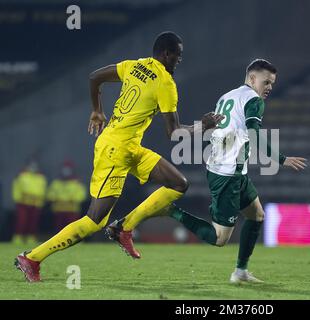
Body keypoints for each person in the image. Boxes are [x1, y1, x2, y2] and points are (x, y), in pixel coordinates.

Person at [14, 31, 222, 282]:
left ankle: (123, 227)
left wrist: (96, 111)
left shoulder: (134, 66)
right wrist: (205, 125)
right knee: (94, 221)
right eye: (178, 55)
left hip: (128, 146)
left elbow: (95, 77)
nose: (179, 60)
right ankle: (32, 257)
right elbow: (174, 132)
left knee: (179, 183)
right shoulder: (165, 83)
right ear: (166, 54)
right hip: (115, 151)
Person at [108, 59, 307, 283]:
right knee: (219, 238)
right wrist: (282, 159)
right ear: (252, 79)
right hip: (227, 174)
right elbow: (253, 134)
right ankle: (171, 211)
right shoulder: (254, 101)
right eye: (266, 82)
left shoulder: (228, 96)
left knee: (257, 215)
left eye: (272, 83)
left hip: (231, 170)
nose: (269, 87)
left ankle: (240, 272)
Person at [12, 160, 47, 245]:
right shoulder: (22, 176)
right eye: (31, 165)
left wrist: (41, 201)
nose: (33, 167)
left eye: (34, 165)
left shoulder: (41, 178)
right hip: (23, 202)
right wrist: (17, 199)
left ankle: (31, 237)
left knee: (33, 222)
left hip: (35, 203)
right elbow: (16, 188)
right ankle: (18, 237)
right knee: (21, 221)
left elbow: (43, 190)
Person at [47, 160, 87, 232]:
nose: (66, 171)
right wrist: (55, 198)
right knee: (59, 229)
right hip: (59, 210)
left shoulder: (77, 182)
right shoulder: (56, 182)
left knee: (73, 229)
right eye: (64, 168)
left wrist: (73, 199)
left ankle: (75, 241)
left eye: (68, 168)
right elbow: (50, 194)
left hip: (72, 210)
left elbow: (82, 195)